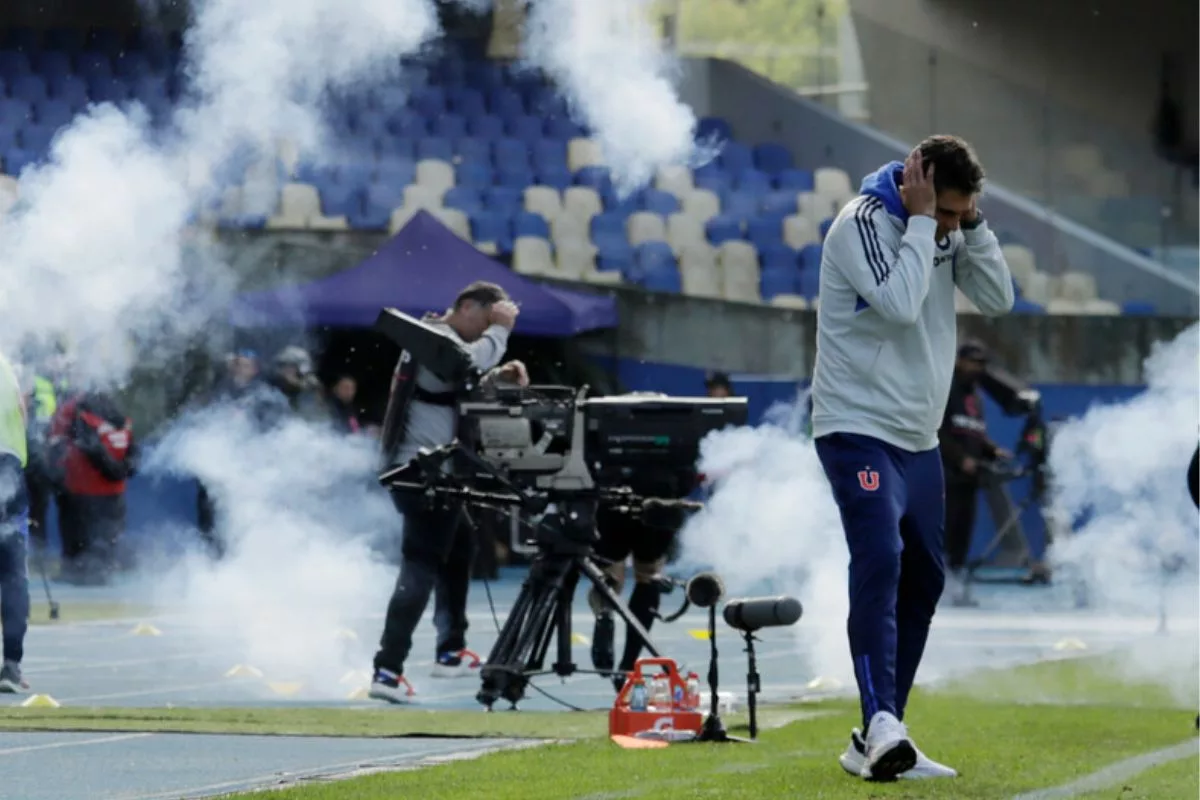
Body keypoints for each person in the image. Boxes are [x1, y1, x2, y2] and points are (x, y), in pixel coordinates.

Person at [809, 136, 1014, 781]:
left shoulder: (951, 226)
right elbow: (898, 307)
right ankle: (881, 723)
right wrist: (925, 224)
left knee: (924, 579)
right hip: (857, 426)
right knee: (881, 558)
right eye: (946, 210)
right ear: (915, 186)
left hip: (918, 439)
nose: (953, 224)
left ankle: (878, 736)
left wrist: (970, 226)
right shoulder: (862, 222)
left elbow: (999, 299)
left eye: (962, 212)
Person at [370, 281, 529, 703]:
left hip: (436, 473)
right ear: (466, 306)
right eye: (487, 319)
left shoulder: (440, 344)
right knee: (420, 565)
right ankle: (387, 670)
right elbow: (466, 364)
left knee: (460, 550)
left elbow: (460, 382)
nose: (488, 330)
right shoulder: (434, 337)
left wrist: (498, 375)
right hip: (422, 476)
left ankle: (450, 650)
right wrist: (502, 331)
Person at [939, 340, 1011, 603]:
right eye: (973, 362)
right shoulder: (945, 390)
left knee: (962, 534)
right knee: (944, 533)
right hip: (946, 478)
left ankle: (954, 585)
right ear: (959, 361)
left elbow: (974, 433)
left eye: (982, 364)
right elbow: (936, 432)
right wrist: (961, 459)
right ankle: (936, 586)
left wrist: (992, 450)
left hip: (969, 480)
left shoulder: (975, 398)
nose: (977, 368)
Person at [48, 388, 140, 584]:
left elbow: (92, 450)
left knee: (85, 535)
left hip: (86, 488)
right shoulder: (124, 423)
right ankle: (96, 571)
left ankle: (86, 571)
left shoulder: (86, 419)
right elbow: (133, 453)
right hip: (112, 490)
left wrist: (115, 469)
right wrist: (122, 469)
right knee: (105, 534)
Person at [0, 350, 31, 693]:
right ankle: (11, 663)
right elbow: (22, 414)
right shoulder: (6, 365)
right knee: (11, 573)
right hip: (8, 468)